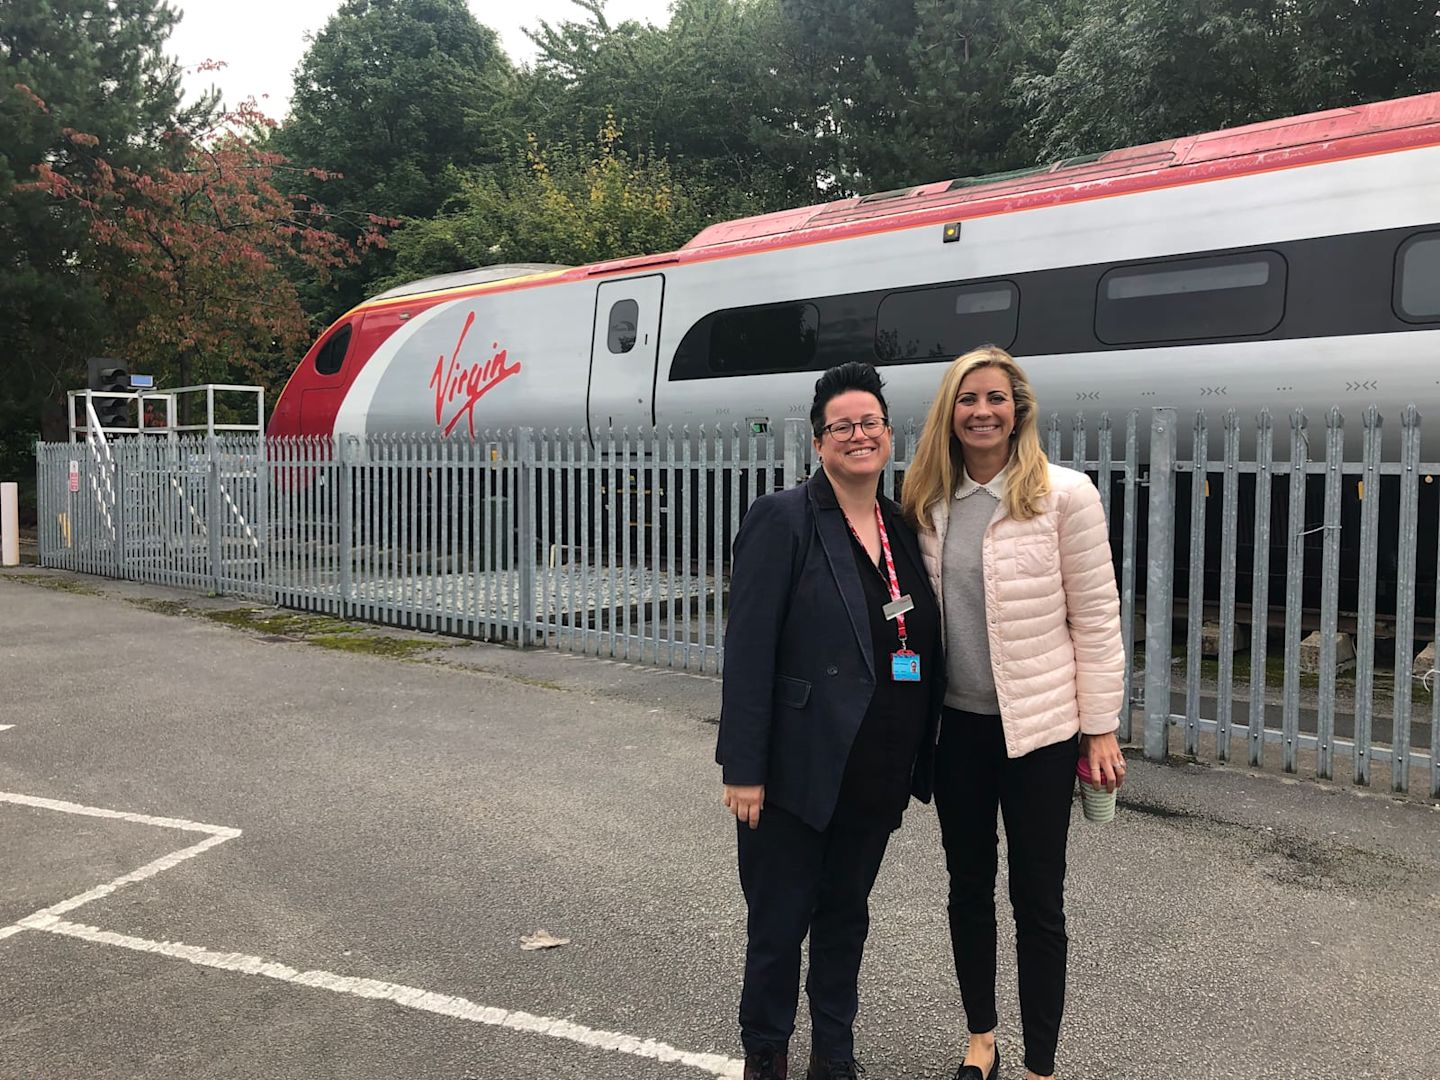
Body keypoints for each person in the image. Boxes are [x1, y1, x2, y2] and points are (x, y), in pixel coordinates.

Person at [900, 345, 1127, 1080]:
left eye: (997, 398)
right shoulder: (925, 501)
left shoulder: (1066, 495)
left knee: (1038, 898)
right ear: (950, 413)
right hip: (956, 729)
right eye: (968, 400)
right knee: (967, 887)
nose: (983, 412)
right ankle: (981, 1038)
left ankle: (1041, 1063)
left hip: (1041, 732)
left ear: (1019, 409)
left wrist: (1100, 725)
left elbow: (1095, 617)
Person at [717, 362, 945, 1080]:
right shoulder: (782, 518)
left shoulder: (902, 522)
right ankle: (767, 1059)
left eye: (870, 422)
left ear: (887, 433)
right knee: (779, 927)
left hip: (874, 772)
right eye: (842, 425)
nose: (858, 434)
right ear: (819, 442)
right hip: (794, 771)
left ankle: (835, 1057)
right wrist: (743, 769)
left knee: (846, 918)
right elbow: (747, 649)